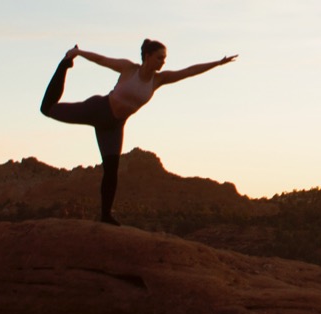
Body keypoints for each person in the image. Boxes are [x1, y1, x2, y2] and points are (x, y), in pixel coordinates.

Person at [38, 39, 237, 225]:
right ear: (148, 56)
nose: (163, 62)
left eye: (164, 59)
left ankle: (105, 215)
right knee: (47, 109)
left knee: (111, 169)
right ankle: (64, 65)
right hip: (98, 109)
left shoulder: (159, 80)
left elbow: (189, 71)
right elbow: (101, 59)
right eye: (160, 57)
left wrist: (218, 63)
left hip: (114, 126)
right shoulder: (128, 68)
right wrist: (77, 53)